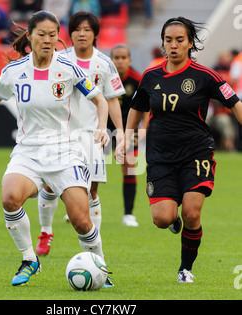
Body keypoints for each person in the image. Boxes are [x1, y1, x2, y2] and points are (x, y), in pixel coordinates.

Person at [0, 10, 110, 286]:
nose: (47, 40)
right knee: (9, 197)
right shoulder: (14, 71)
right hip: (28, 152)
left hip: (65, 152)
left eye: (53, 35)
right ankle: (30, 259)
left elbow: (100, 101)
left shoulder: (68, 68)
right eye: (41, 34)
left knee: (81, 220)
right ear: (29, 36)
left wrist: (102, 127)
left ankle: (100, 267)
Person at [115, 16, 242, 283]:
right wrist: (126, 139)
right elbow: (137, 110)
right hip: (160, 156)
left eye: (179, 40)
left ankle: (185, 269)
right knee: (162, 218)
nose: (173, 45)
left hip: (196, 153)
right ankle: (173, 220)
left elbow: (234, 101)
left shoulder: (205, 75)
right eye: (168, 40)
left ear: (190, 43)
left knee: (192, 212)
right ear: (162, 43)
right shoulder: (151, 76)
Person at [36, 12, 124, 263]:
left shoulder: (104, 63)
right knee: (51, 184)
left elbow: (112, 100)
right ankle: (45, 232)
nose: (82, 33)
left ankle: (94, 246)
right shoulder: (59, 60)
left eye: (87, 29)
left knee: (92, 191)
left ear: (95, 33)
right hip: (62, 135)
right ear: (70, 33)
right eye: (77, 29)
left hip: (93, 135)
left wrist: (120, 134)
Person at [110, 43, 149, 227]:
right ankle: (84, 209)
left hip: (127, 130)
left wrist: (144, 129)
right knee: (90, 166)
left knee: (129, 166)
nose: (119, 61)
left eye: (123, 57)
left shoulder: (137, 80)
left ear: (129, 60)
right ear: (111, 59)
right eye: (116, 57)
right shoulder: (105, 77)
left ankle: (128, 215)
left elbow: (147, 107)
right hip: (104, 127)